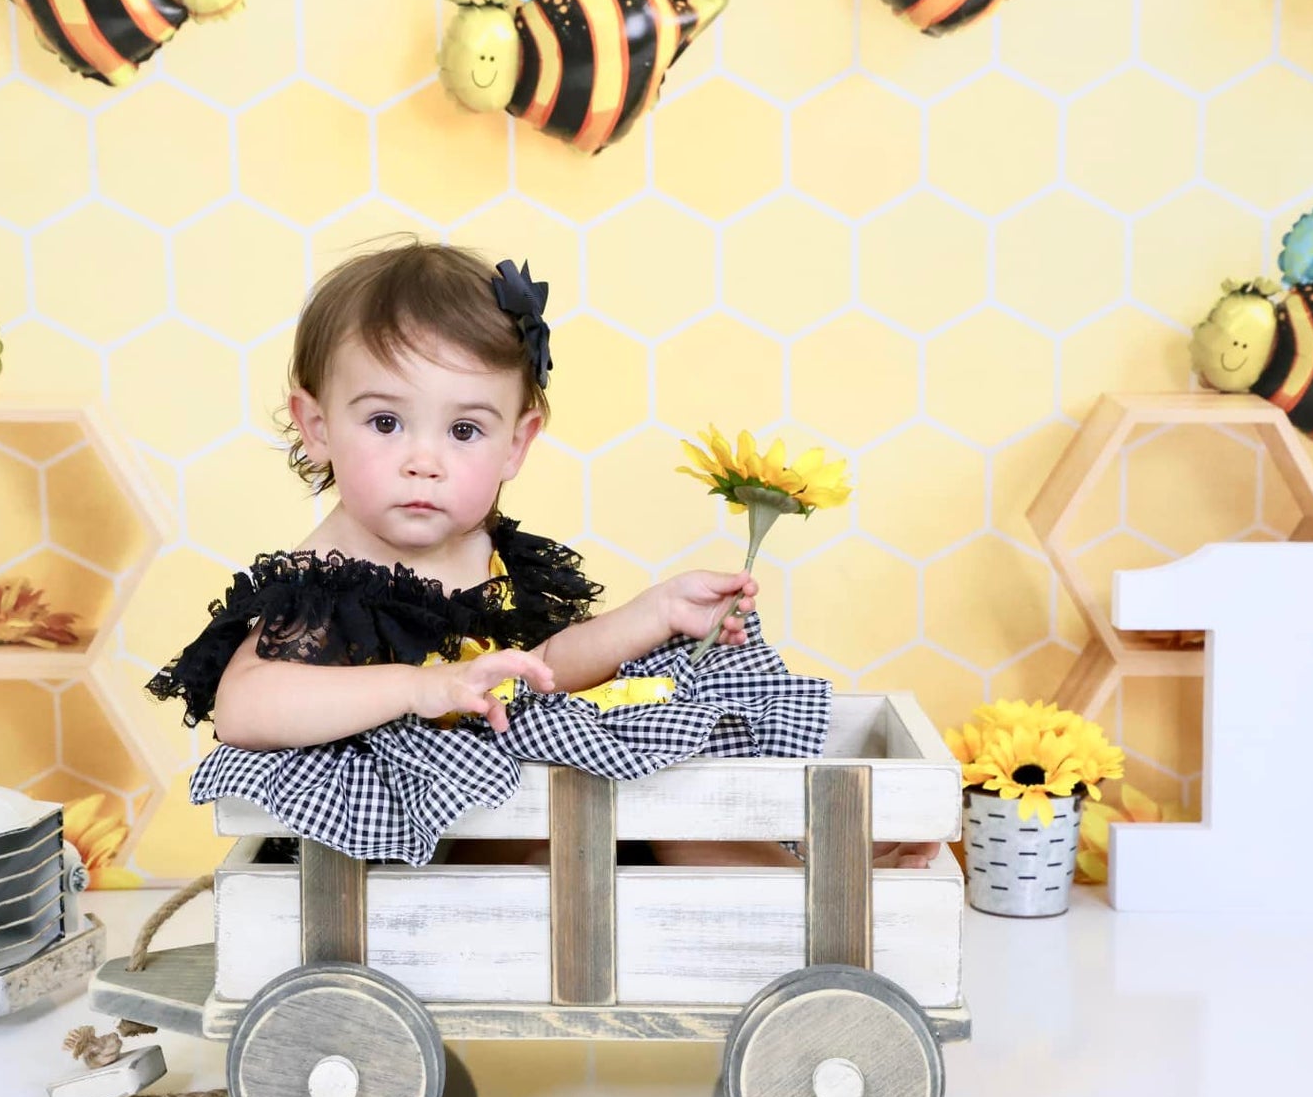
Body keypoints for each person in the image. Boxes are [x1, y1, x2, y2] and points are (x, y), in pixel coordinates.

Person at [147, 238, 939, 871]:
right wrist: (420, 689)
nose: (424, 461)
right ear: (317, 427)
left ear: (516, 443)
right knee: (611, 809)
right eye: (385, 423)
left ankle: (805, 881)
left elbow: (543, 669)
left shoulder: (479, 548)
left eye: (464, 431)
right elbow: (246, 707)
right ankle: (803, 895)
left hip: (500, 809)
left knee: (658, 783)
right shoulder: (328, 579)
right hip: (401, 840)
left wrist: (654, 613)